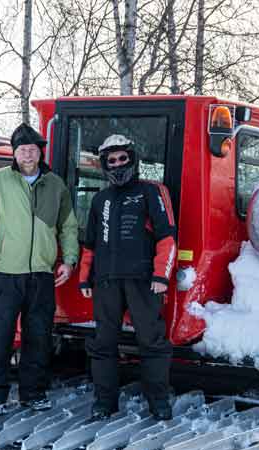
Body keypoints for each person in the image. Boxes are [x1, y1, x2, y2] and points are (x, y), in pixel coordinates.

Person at [0, 123, 79, 415]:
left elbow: (68, 226)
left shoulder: (55, 185)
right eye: (22, 149)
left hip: (42, 274)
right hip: (5, 273)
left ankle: (33, 393)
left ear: (40, 152)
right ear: (14, 153)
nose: (28, 154)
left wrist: (68, 259)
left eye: (33, 149)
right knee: (0, 335)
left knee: (39, 336)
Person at [78, 134, 177, 421]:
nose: (118, 164)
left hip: (143, 280)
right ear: (105, 165)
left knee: (152, 341)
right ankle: (104, 402)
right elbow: (90, 244)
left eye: (122, 158)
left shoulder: (152, 192)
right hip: (106, 281)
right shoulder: (100, 199)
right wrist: (85, 278)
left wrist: (161, 275)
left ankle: (158, 402)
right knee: (103, 343)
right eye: (112, 160)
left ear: (131, 160)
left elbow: (167, 236)